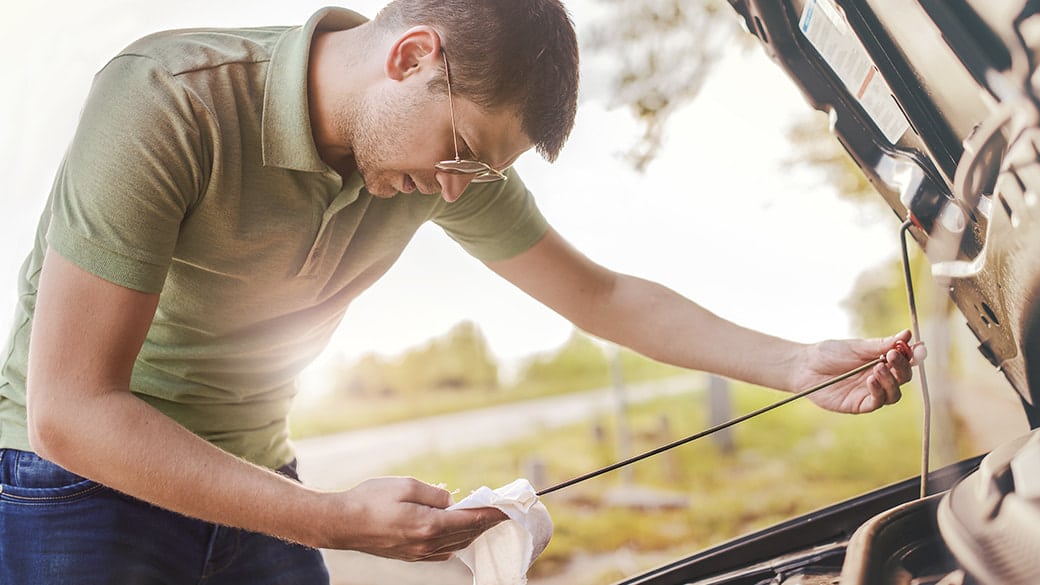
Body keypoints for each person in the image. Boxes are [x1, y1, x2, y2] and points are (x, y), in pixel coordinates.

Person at [0, 1, 921, 583]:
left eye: (476, 172)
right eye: (459, 154)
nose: (454, 189)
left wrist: (796, 363)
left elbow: (602, 296)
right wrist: (333, 518)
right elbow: (73, 410)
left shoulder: (435, 165)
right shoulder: (169, 100)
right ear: (412, 57)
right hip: (74, 489)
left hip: (257, 480)